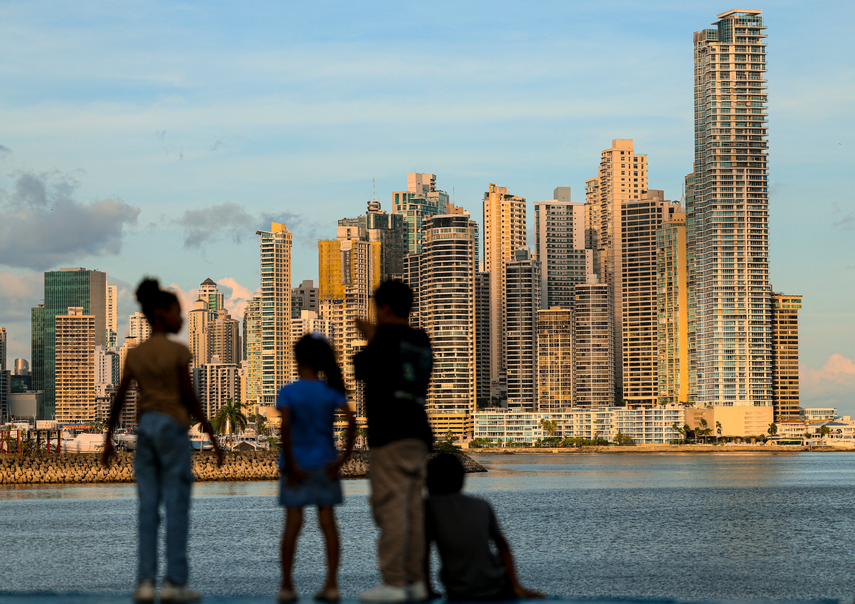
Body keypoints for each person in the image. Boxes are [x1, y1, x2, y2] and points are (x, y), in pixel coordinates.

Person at [101, 278, 223, 603]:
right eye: (176, 312)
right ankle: (174, 583)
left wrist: (108, 439)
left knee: (147, 508)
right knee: (177, 505)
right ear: (161, 314)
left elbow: (120, 397)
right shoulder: (179, 351)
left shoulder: (135, 354)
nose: (181, 318)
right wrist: (211, 435)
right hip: (172, 428)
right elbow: (189, 396)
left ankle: (144, 583)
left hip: (145, 430)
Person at [354, 280, 434, 603]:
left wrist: (372, 336)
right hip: (418, 433)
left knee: (390, 507)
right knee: (413, 509)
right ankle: (415, 581)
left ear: (385, 308)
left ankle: (394, 582)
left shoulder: (382, 338)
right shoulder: (422, 340)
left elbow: (363, 369)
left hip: (389, 434)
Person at [277, 333, 356, 604]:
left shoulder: (289, 391)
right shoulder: (330, 391)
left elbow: (286, 428)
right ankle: (332, 585)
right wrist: (343, 457)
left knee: (293, 525)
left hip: (296, 466)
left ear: (297, 359)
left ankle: (287, 587)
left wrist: (290, 462)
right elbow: (352, 422)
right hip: (326, 464)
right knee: (328, 524)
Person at [424, 454, 544, 601]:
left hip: (459, 590)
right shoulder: (481, 504)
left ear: (429, 480)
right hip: (497, 584)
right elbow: (502, 545)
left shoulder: (428, 508)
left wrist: (428, 589)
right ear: (461, 480)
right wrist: (517, 586)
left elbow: (423, 553)